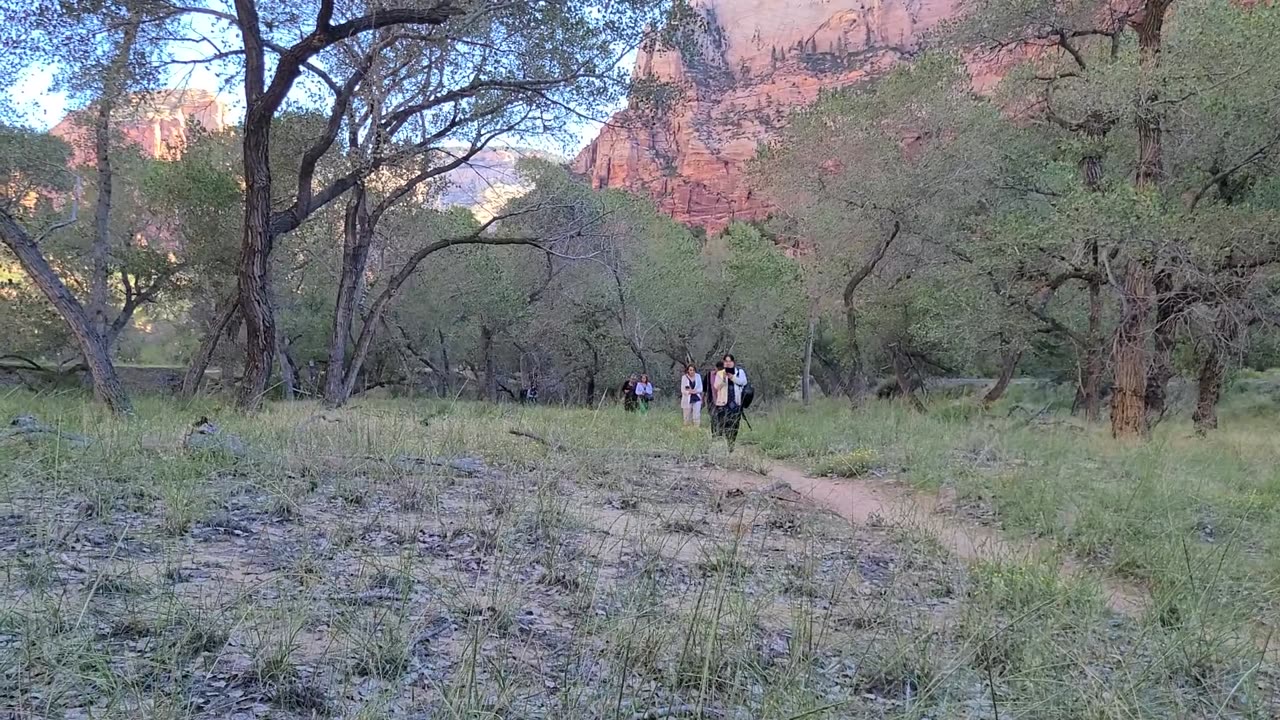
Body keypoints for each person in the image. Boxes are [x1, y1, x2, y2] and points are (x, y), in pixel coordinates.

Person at [711, 354, 747, 451]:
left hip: (736, 403)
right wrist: (724, 378)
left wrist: (732, 377)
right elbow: (716, 386)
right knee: (725, 424)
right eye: (726, 361)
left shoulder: (739, 372)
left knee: (735, 424)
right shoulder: (720, 373)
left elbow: (743, 382)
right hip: (724, 403)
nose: (728, 363)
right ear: (723, 362)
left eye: (730, 361)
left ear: (733, 362)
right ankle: (727, 443)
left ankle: (732, 442)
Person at [706, 361, 724, 436]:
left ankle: (720, 433)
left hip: (723, 400)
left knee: (721, 418)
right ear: (715, 368)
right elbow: (705, 388)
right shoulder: (709, 375)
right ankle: (714, 433)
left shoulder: (725, 376)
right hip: (712, 400)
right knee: (713, 418)